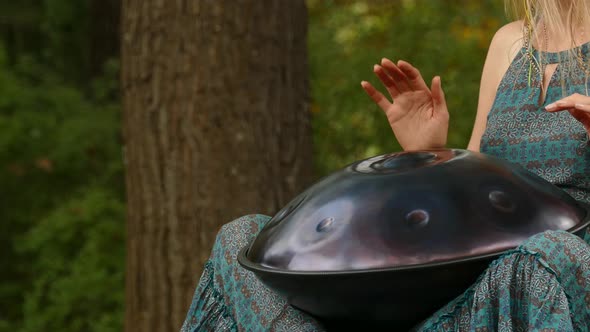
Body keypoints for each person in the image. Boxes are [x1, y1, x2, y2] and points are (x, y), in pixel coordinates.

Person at [181, 0, 590, 330]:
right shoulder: (511, 42)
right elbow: (481, 188)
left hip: (559, 257)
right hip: (481, 271)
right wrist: (428, 155)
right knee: (242, 240)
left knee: (541, 254)